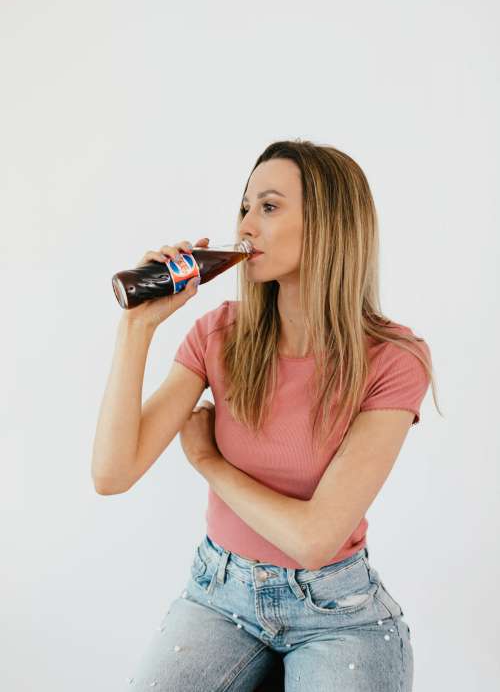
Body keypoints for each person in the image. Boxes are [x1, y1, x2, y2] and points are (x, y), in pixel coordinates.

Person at [92, 139, 441, 691]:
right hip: (219, 595)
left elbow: (313, 539)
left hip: (338, 613)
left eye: (270, 207)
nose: (246, 224)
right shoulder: (219, 334)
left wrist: (207, 460)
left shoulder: (393, 358)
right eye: (244, 206)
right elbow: (112, 474)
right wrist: (138, 326)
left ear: (329, 224)